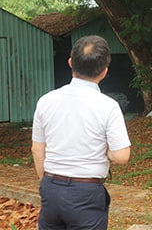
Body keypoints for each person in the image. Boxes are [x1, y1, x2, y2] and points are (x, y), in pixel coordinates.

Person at [32, 35, 131, 229]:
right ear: (104, 71)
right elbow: (122, 155)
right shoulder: (108, 106)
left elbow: (37, 150)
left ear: (70, 63)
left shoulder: (46, 101)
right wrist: (105, 151)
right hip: (86, 193)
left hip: (50, 187)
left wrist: (47, 184)